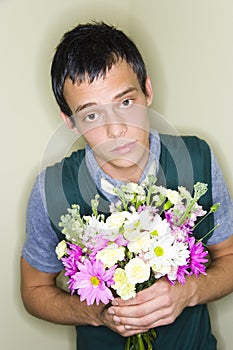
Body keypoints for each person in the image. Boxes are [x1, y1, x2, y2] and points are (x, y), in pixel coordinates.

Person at [20, 22, 233, 350]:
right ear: (70, 121)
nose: (116, 129)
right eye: (91, 115)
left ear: (147, 91)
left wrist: (188, 291)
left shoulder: (198, 157)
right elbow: (33, 292)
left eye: (125, 103)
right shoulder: (51, 189)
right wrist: (98, 313)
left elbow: (229, 257)